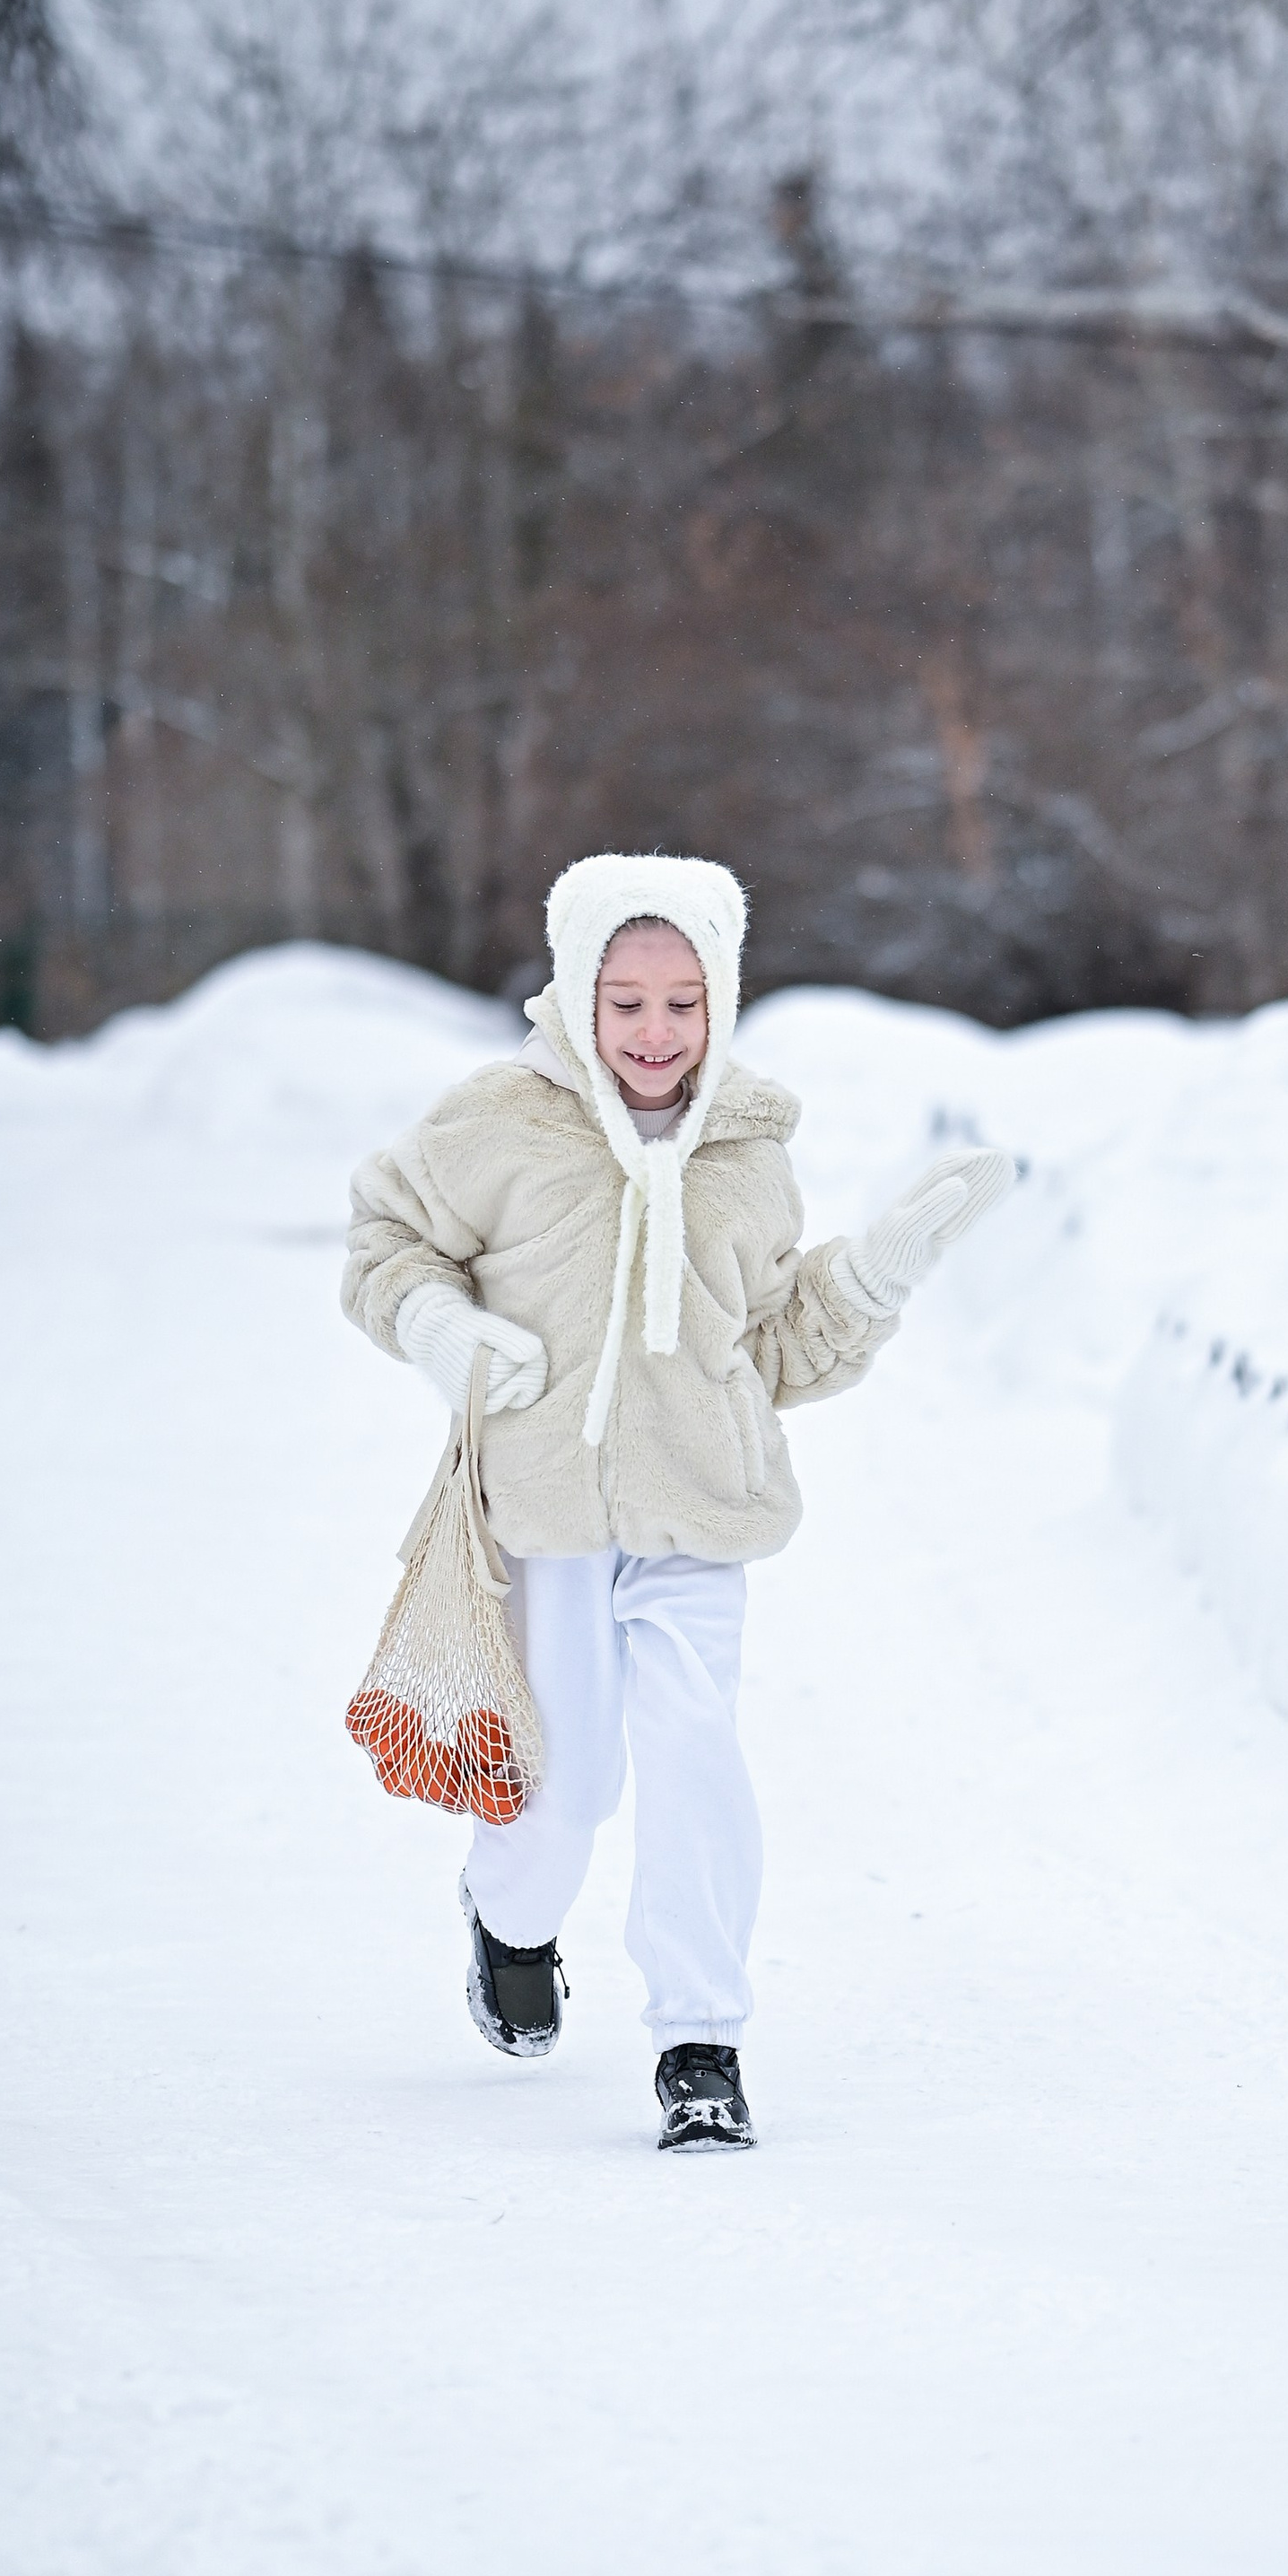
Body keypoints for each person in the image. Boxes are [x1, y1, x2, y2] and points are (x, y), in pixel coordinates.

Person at [342, 851, 1013, 2151]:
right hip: (549, 1514)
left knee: (698, 1746)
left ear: (727, 998)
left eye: (685, 1003)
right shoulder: (500, 1125)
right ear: (576, 994)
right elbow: (388, 1241)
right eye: (627, 1001)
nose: (656, 1033)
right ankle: (511, 1919)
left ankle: (700, 2040)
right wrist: (437, 1326)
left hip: (701, 1508)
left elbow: (761, 1350)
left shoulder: (752, 1159)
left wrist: (872, 1279)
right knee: (574, 1782)